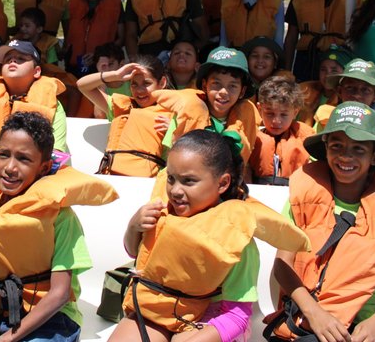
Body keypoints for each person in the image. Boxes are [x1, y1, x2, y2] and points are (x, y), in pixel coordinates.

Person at [110, 130, 309, 342]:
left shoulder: (235, 237)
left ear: (222, 183)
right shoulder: (162, 212)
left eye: (188, 181)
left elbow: (237, 317)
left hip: (216, 319)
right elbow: (136, 253)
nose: (175, 190)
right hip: (160, 309)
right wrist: (134, 227)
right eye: (171, 178)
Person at [0, 112, 118, 342]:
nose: (10, 168)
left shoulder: (61, 218)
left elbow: (60, 294)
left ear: (44, 168)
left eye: (24, 159)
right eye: (3, 155)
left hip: (52, 319)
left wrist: (5, 340)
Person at [268, 102, 375, 342]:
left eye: (359, 149)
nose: (345, 156)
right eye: (336, 146)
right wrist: (314, 312)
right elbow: (282, 264)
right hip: (319, 316)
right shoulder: (303, 197)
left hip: (374, 320)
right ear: (326, 148)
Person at [78, 55, 208, 177]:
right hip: (112, 178)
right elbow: (83, 86)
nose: (140, 90)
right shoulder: (124, 107)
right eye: (134, 84)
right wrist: (116, 74)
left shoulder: (174, 114)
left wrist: (173, 131)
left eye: (146, 84)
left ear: (162, 83)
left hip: (150, 183)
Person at [0, 40, 68, 163]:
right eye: (7, 59)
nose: (12, 61)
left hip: (31, 176)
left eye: (21, 58)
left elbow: (56, 153)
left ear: (36, 71)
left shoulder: (52, 104)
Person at [196, 47, 259, 165]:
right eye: (216, 83)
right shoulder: (189, 112)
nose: (224, 91)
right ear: (205, 85)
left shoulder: (247, 120)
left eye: (232, 86)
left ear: (242, 91)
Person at [248, 76, 314, 185]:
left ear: (295, 113)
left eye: (283, 114)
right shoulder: (251, 137)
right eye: (270, 113)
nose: (276, 121)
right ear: (259, 110)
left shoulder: (306, 139)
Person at [66, 0, 125, 76]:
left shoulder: (114, 5)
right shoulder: (74, 4)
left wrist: (98, 54)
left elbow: (121, 38)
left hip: (102, 67)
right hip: (75, 67)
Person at [297, 44, 353, 127]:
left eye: (334, 71)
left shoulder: (349, 99)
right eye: (323, 70)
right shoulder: (304, 90)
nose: (327, 75)